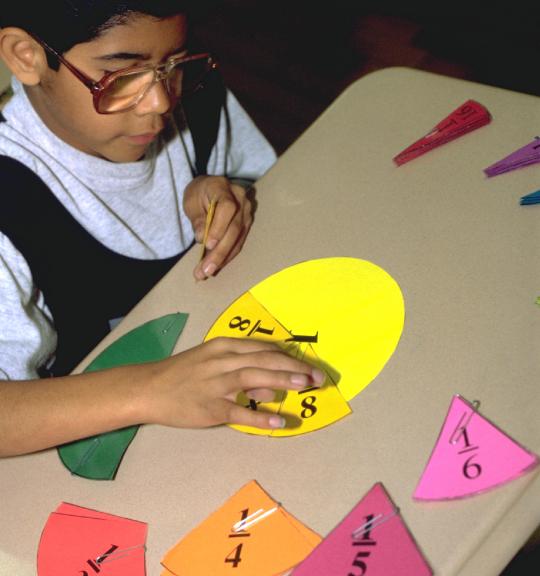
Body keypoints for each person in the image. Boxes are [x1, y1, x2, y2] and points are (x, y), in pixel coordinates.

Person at [0, 1, 324, 457]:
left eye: (173, 63)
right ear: (25, 56)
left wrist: (237, 192)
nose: (161, 102)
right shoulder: (11, 202)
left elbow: (277, 196)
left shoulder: (196, 95)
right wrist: (151, 388)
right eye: (123, 76)